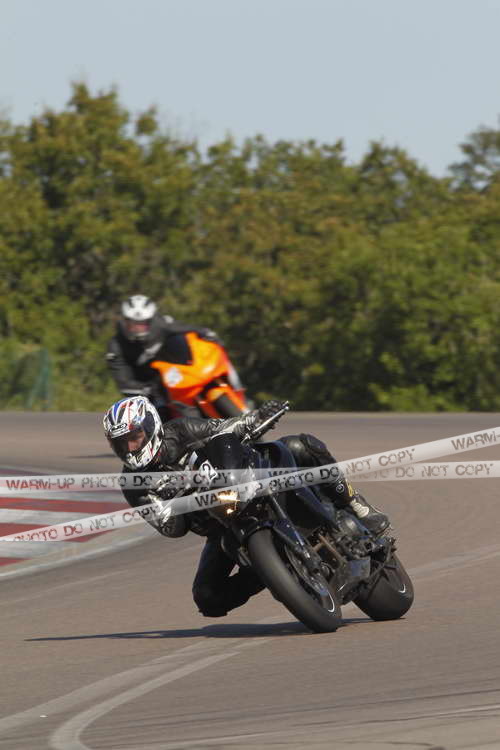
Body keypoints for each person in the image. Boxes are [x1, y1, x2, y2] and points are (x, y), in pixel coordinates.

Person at [103, 396, 390, 618]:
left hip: (249, 482)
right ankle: (270, 573)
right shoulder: (134, 484)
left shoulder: (181, 430)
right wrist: (170, 504)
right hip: (220, 524)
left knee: (301, 446)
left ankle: (355, 504)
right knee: (207, 597)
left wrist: (258, 418)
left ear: (151, 427)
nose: (130, 448)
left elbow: (225, 428)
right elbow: (172, 529)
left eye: (134, 438)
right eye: (121, 444)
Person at [106, 294, 244, 419]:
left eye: (143, 323)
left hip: (176, 374)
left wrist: (206, 333)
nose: (138, 328)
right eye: (133, 323)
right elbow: (123, 381)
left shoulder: (160, 324)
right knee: (159, 416)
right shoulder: (116, 347)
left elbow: (183, 328)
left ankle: (239, 392)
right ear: (125, 321)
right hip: (151, 389)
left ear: (150, 320)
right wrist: (145, 389)